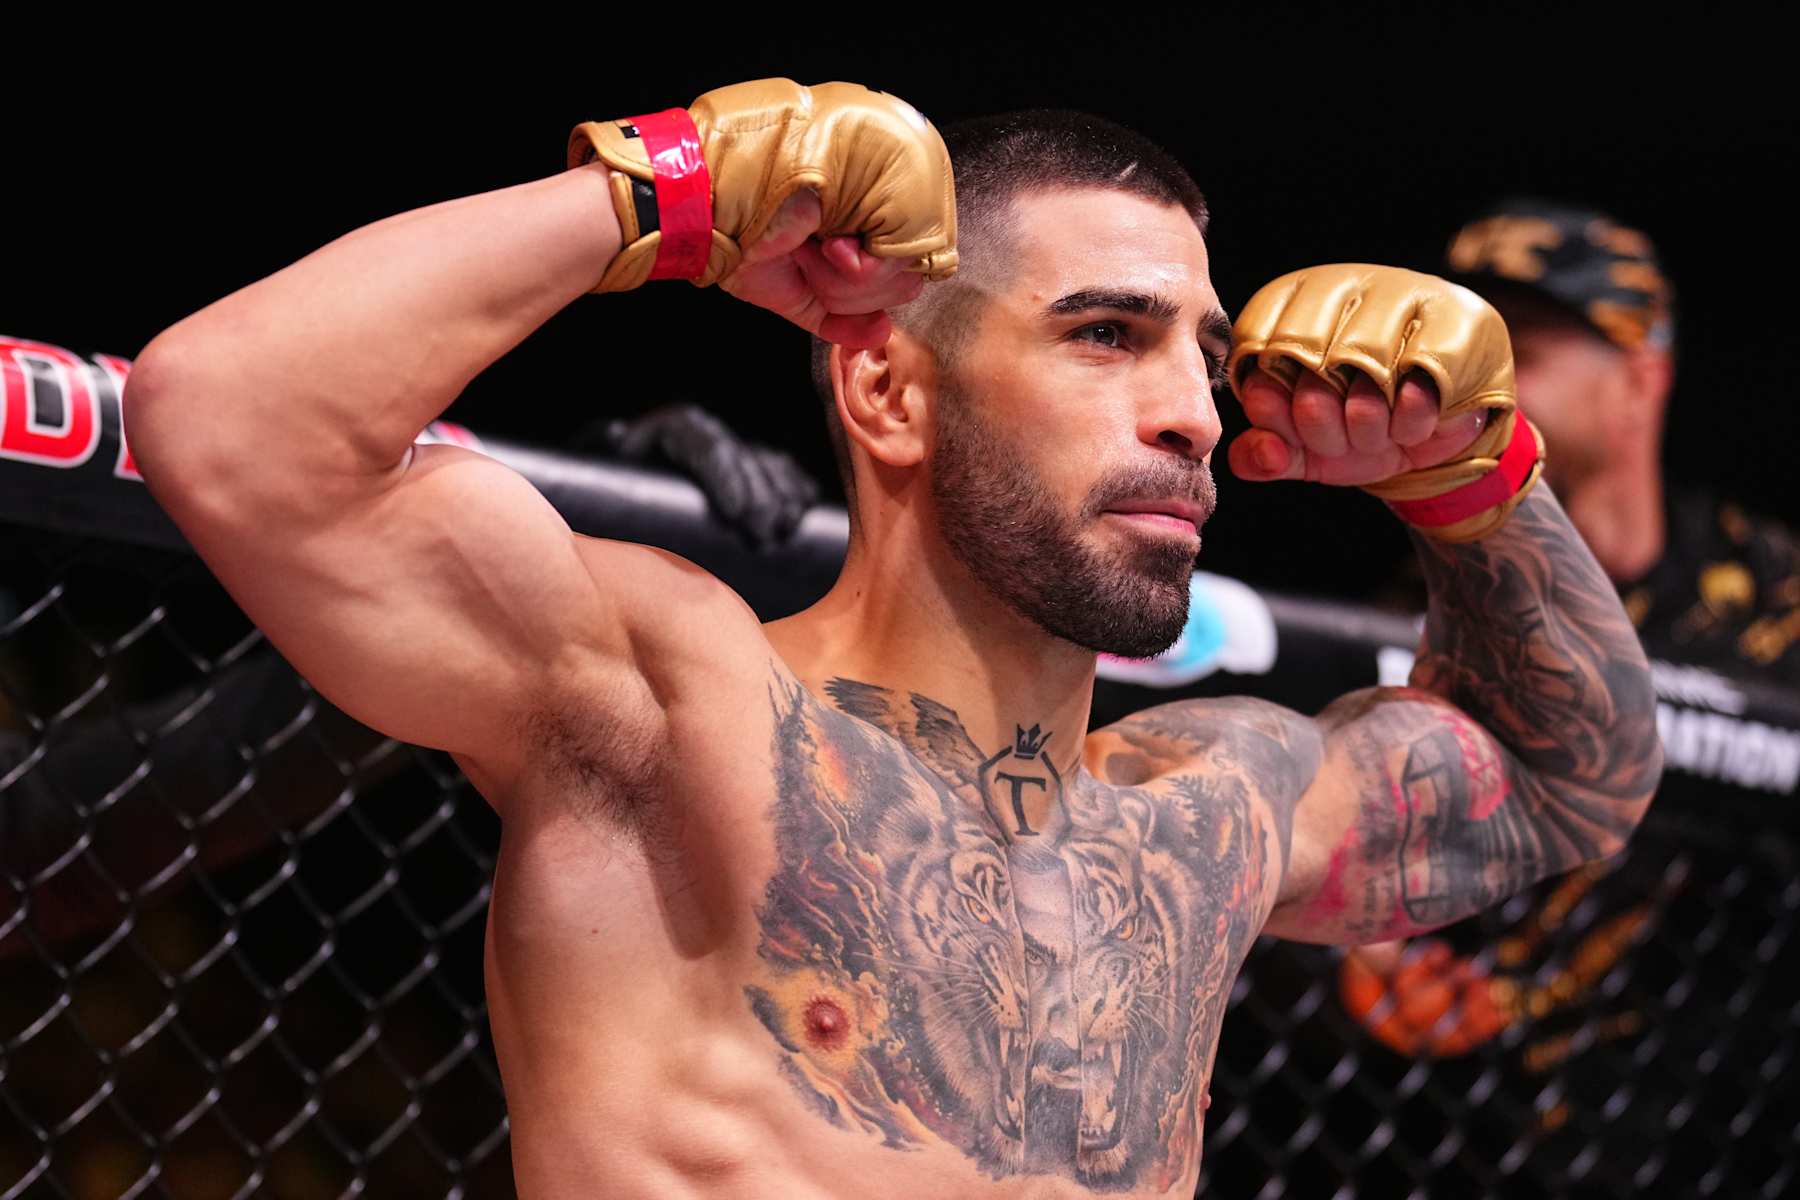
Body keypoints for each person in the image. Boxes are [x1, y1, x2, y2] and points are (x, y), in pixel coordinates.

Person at [121, 80, 1660, 1197]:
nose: (1194, 411)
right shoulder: (674, 705)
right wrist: (661, 197)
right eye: (1105, 334)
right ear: (889, 395)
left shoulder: (1207, 816)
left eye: (1206, 354)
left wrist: (1477, 484)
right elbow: (237, 425)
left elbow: (1571, 777)